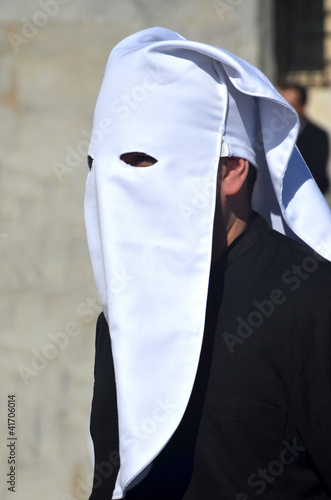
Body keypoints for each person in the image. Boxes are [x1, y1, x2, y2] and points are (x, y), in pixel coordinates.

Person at [84, 28, 331, 499]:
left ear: (231, 169)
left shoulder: (314, 308)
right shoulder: (124, 311)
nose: (112, 187)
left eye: (140, 161)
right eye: (97, 164)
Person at [280, 84, 330, 194]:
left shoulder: (318, 135)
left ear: (302, 106)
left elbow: (315, 173)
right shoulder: (272, 133)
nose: (285, 110)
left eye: (290, 105)